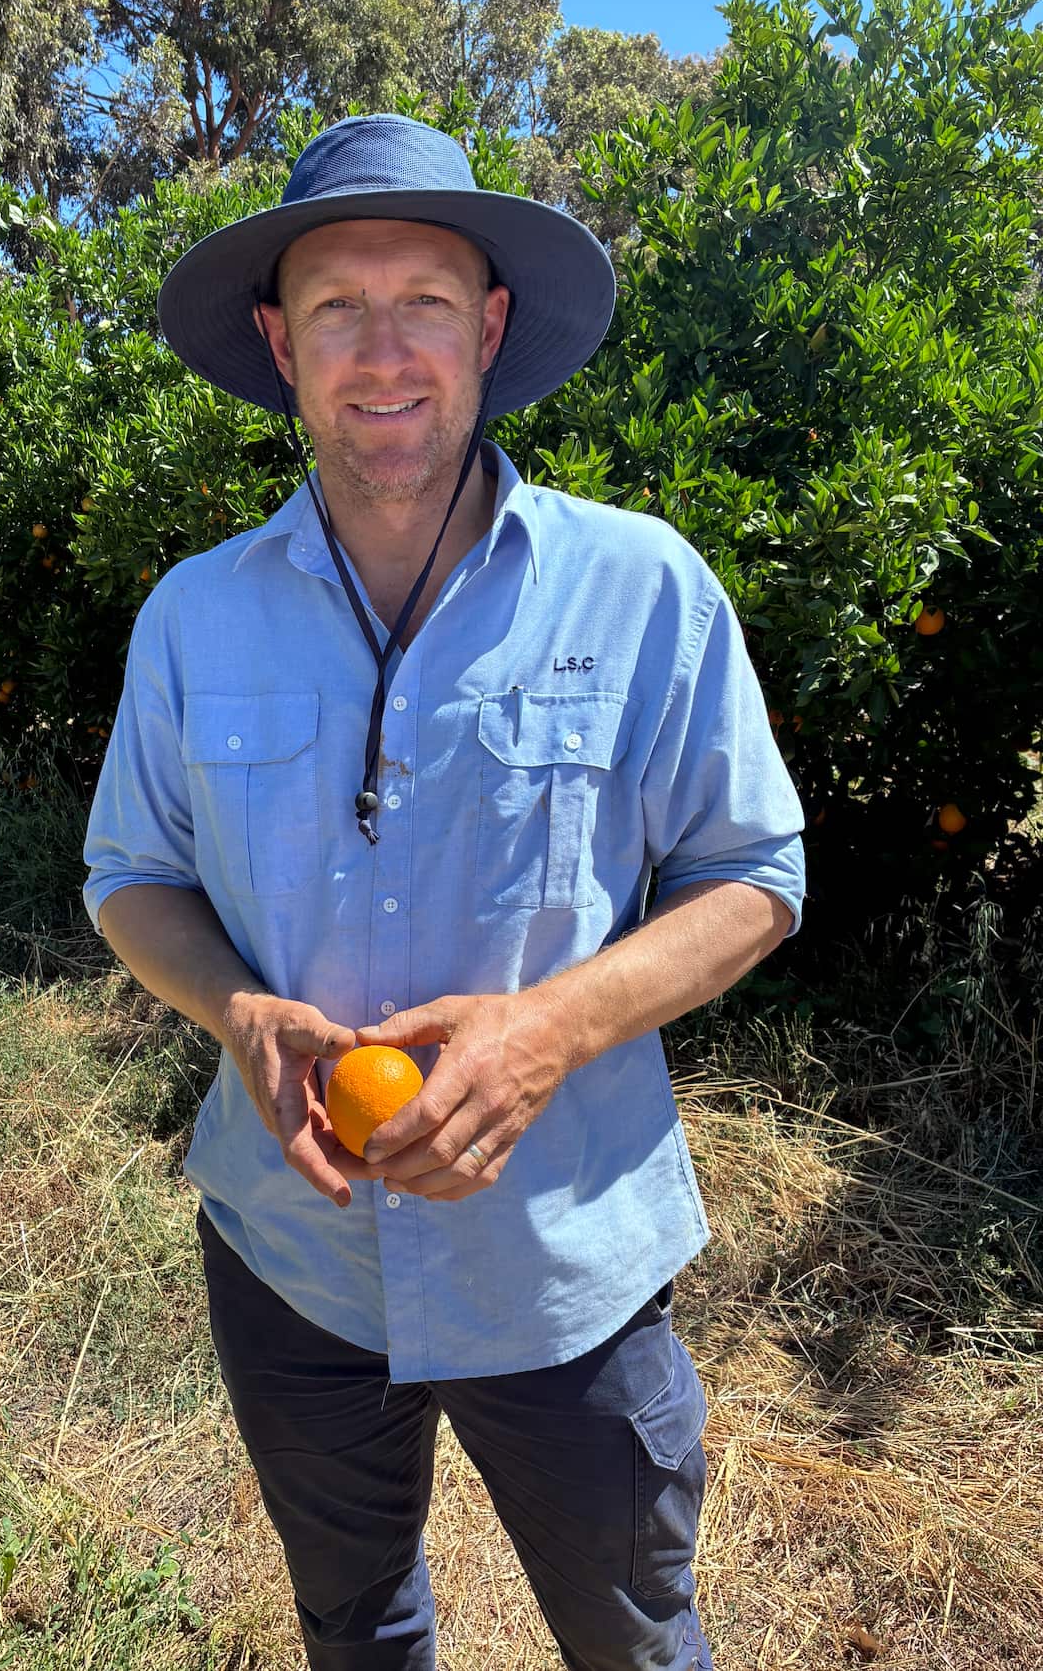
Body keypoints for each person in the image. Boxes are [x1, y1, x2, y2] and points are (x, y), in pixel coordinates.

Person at [82, 113, 805, 1671]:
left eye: (425, 299)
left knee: (633, 1636)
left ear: (490, 329)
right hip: (294, 1255)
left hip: (564, 1266)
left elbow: (756, 876)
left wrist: (548, 1031)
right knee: (355, 1621)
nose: (383, 348)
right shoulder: (193, 618)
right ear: (281, 345)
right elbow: (130, 876)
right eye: (338, 304)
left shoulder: (646, 586)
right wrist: (235, 1005)